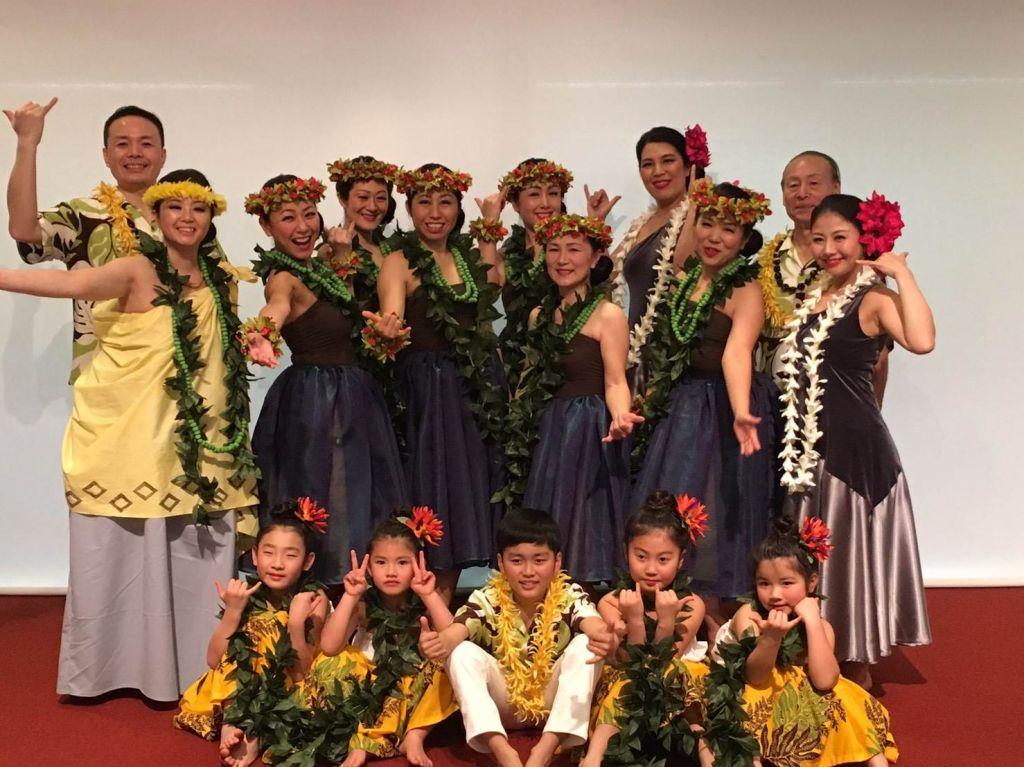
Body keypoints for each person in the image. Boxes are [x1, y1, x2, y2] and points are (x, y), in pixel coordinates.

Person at [0, 168, 258, 700]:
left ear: (211, 218)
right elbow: (69, 283)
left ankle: (199, 665)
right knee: (119, 551)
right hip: (133, 432)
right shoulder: (136, 268)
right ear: (156, 217)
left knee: (194, 550)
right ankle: (109, 671)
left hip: (199, 443)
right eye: (175, 208)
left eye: (199, 209)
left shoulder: (220, 277)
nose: (187, 218)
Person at [777, 192, 934, 688]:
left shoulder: (875, 298)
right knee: (811, 557)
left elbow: (923, 341)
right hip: (808, 452)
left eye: (840, 237)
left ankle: (855, 665)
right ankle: (817, 652)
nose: (828, 248)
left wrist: (901, 273)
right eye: (819, 239)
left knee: (844, 557)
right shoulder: (814, 296)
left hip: (853, 455)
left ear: (864, 240)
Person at [242, 173, 407, 586]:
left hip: (357, 395)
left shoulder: (322, 267)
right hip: (319, 399)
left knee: (357, 497)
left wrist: (343, 255)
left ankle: (355, 605)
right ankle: (323, 596)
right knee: (326, 494)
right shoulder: (283, 276)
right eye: (287, 218)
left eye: (308, 215)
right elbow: (276, 306)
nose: (301, 227)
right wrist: (263, 334)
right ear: (266, 226)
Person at [631, 178, 777, 639]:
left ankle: (711, 625)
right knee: (672, 510)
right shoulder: (690, 274)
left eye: (728, 229)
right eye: (706, 224)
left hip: (720, 412)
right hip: (681, 407)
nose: (714, 237)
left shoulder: (746, 289)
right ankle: (674, 624)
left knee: (711, 517)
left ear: (746, 236)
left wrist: (738, 411)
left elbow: (737, 354)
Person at [363, 163, 506, 603]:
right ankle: (425, 606)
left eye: (445, 202)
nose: (435, 212)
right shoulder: (399, 260)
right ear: (408, 208)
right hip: (427, 392)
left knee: (468, 495)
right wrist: (386, 331)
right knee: (432, 494)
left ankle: (451, 606)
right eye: (423, 202)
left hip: (473, 389)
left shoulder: (466, 255)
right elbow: (392, 313)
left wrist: (491, 225)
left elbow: (494, 284)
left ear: (458, 208)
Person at [498, 213, 639, 584]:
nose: (563, 259)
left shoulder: (608, 315)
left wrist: (621, 417)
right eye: (554, 249)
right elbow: (531, 377)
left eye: (574, 249)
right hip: (550, 429)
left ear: (594, 258)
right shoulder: (538, 316)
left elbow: (615, 381)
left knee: (587, 526)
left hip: (589, 427)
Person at [418, 508, 617, 767]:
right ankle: (502, 751)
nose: (528, 571)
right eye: (517, 560)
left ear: (557, 562)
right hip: (505, 705)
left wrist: (603, 635)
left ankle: (546, 748)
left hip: (552, 705)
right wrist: (441, 643)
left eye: (539, 560)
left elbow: (590, 621)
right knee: (460, 652)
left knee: (586, 646)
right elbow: (461, 627)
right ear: (501, 563)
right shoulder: (487, 597)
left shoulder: (570, 594)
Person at [715, 515, 899, 766]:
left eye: (787, 583)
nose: (775, 594)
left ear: (811, 583)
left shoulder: (821, 625)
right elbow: (755, 678)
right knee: (748, 707)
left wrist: (813, 623)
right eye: (764, 584)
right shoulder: (750, 615)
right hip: (747, 685)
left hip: (790, 692)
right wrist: (771, 639)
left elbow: (824, 680)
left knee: (844, 696)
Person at [4, 100, 167, 382]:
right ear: (106, 155)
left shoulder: (186, 218)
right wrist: (27, 143)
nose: (135, 153)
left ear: (163, 155)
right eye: (122, 144)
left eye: (146, 144)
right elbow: (23, 228)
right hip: (104, 374)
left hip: (174, 373)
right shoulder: (82, 214)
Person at [284, 510, 457, 767]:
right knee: (330, 662)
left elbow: (455, 640)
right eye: (381, 562)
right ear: (369, 566)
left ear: (418, 565)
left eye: (402, 562)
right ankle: (367, 735)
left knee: (447, 667)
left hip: (407, 689)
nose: (391, 571)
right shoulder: (363, 604)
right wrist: (350, 596)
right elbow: (330, 647)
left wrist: (430, 595)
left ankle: (413, 735)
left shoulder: (425, 600)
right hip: (365, 688)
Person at [174, 500, 330, 767]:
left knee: (269, 627)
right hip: (240, 689)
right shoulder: (245, 594)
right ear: (255, 556)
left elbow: (305, 670)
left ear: (308, 561)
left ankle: (253, 731)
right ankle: (235, 722)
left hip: (290, 685)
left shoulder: (316, 599)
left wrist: (294, 624)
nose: (278, 564)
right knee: (247, 638)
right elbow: (214, 660)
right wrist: (234, 612)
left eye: (291, 555)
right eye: (269, 553)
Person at [582, 491, 714, 767]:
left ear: (680, 560)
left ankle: (707, 755)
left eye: (663, 560)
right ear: (626, 552)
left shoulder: (692, 604)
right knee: (626, 682)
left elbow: (666, 660)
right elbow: (634, 663)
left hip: (675, 686)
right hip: (630, 685)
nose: (651, 569)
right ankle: (593, 758)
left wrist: (667, 621)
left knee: (683, 674)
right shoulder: (612, 601)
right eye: (641, 556)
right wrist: (635, 620)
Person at [755, 151, 891, 405]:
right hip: (769, 407)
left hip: (833, 408)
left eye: (814, 183)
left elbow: (879, 357)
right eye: (793, 185)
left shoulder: (858, 266)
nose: (802, 193)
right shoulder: (765, 261)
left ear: (836, 187)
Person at [607, 125, 709, 391]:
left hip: (672, 353)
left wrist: (697, 202)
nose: (658, 172)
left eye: (668, 161)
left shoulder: (704, 216)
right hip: (633, 352)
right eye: (647, 164)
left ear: (689, 167)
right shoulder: (642, 223)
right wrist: (597, 225)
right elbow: (606, 274)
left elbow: (682, 266)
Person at [492, 158, 572, 387]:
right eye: (534, 194)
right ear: (515, 203)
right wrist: (491, 222)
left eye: (554, 193)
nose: (545, 203)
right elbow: (485, 292)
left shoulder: (576, 249)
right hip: (516, 367)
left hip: (564, 365)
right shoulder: (507, 253)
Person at [322, 155, 402, 303]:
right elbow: (339, 314)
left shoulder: (393, 248)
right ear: (342, 199)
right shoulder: (329, 251)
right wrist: (341, 258)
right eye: (363, 197)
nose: (372, 207)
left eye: (381, 198)